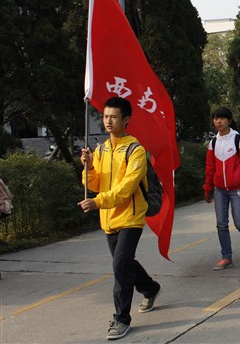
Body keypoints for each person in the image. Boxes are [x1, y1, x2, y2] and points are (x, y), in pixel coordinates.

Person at [79, 97, 162, 340]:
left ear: (126, 120)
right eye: (105, 116)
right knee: (124, 263)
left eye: (113, 117)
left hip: (131, 217)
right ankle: (150, 287)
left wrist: (97, 202)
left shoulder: (135, 150)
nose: (108, 121)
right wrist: (89, 167)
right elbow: (94, 184)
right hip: (108, 219)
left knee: (119, 266)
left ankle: (121, 319)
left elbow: (126, 189)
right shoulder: (101, 149)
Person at [203, 107, 240, 269]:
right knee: (221, 224)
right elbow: (209, 168)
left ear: (229, 120)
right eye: (215, 119)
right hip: (219, 190)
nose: (218, 122)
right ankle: (226, 257)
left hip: (238, 188)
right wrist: (207, 188)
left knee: (239, 222)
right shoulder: (213, 142)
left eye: (222, 118)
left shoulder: (238, 140)